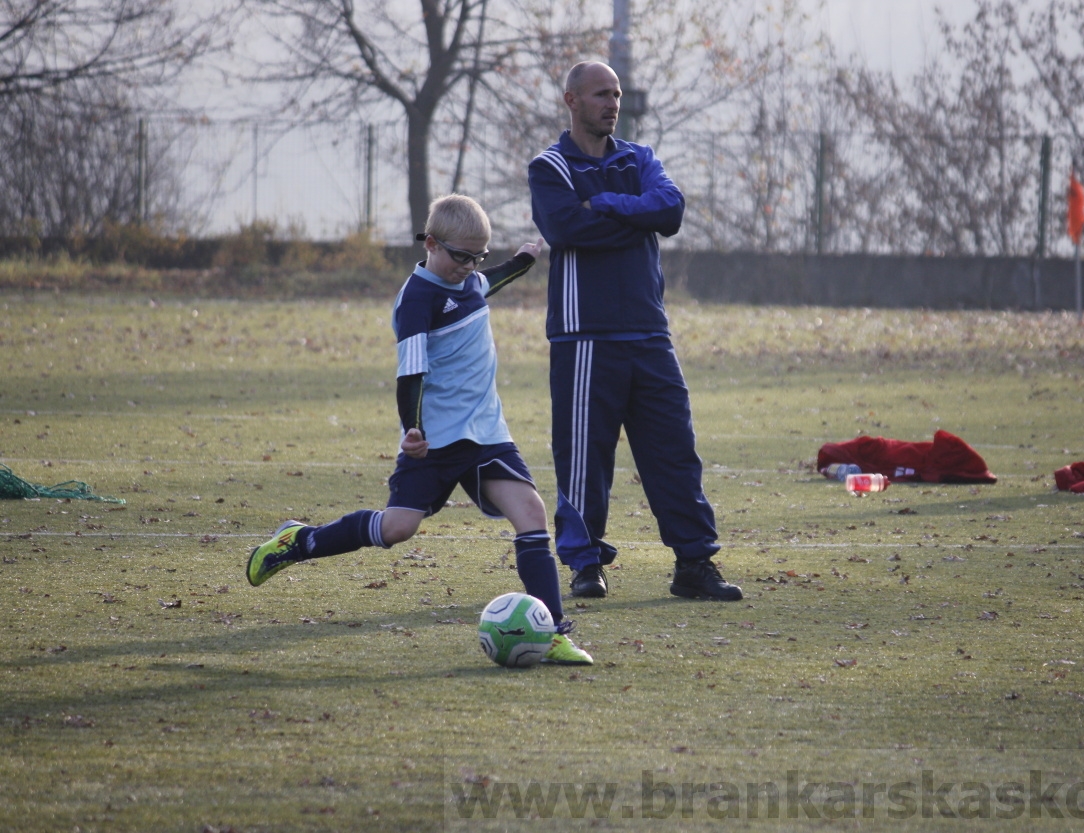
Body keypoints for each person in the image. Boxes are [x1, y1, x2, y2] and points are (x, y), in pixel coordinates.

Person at [246, 194, 592, 665]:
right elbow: (410, 374)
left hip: (487, 432)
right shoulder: (417, 300)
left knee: (531, 513)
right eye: (461, 256)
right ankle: (299, 541)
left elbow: (484, 284)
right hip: (434, 441)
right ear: (431, 243)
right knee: (397, 528)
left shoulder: (465, 278)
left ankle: (550, 632)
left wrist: (522, 261)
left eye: (478, 257)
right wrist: (412, 428)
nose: (470, 267)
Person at [527, 61, 742, 602]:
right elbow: (564, 228)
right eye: (601, 94)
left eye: (616, 94)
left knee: (674, 453)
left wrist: (604, 203)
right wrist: (633, 217)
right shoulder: (550, 167)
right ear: (572, 100)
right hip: (583, 338)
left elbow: (669, 211)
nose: (612, 103)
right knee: (583, 458)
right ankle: (584, 565)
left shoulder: (640, 158)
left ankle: (693, 565)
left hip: (649, 334)